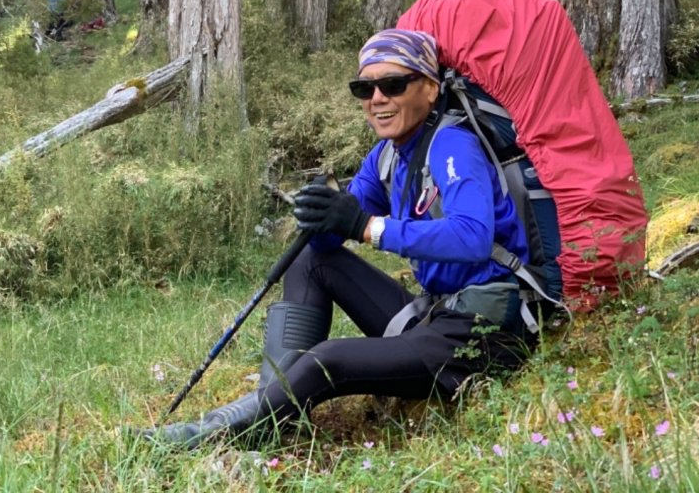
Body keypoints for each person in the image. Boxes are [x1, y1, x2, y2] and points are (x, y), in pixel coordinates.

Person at [140, 28, 535, 448]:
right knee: (308, 261)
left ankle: (210, 433)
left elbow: (472, 237)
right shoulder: (387, 155)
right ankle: (274, 409)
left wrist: (367, 226)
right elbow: (327, 247)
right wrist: (320, 218)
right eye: (364, 88)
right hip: (435, 314)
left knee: (327, 360)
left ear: (431, 89)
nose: (377, 98)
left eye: (393, 84)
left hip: (483, 332)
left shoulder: (453, 145)